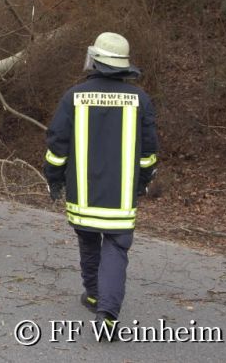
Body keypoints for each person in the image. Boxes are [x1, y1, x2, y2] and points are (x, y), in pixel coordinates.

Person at [43, 32, 158, 341]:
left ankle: (93, 295)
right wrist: (142, 184)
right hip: (121, 199)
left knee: (89, 242)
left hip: (83, 195)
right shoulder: (141, 100)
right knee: (116, 247)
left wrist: (53, 179)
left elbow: (57, 145)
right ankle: (106, 312)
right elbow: (148, 153)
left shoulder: (74, 96)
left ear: (95, 59)